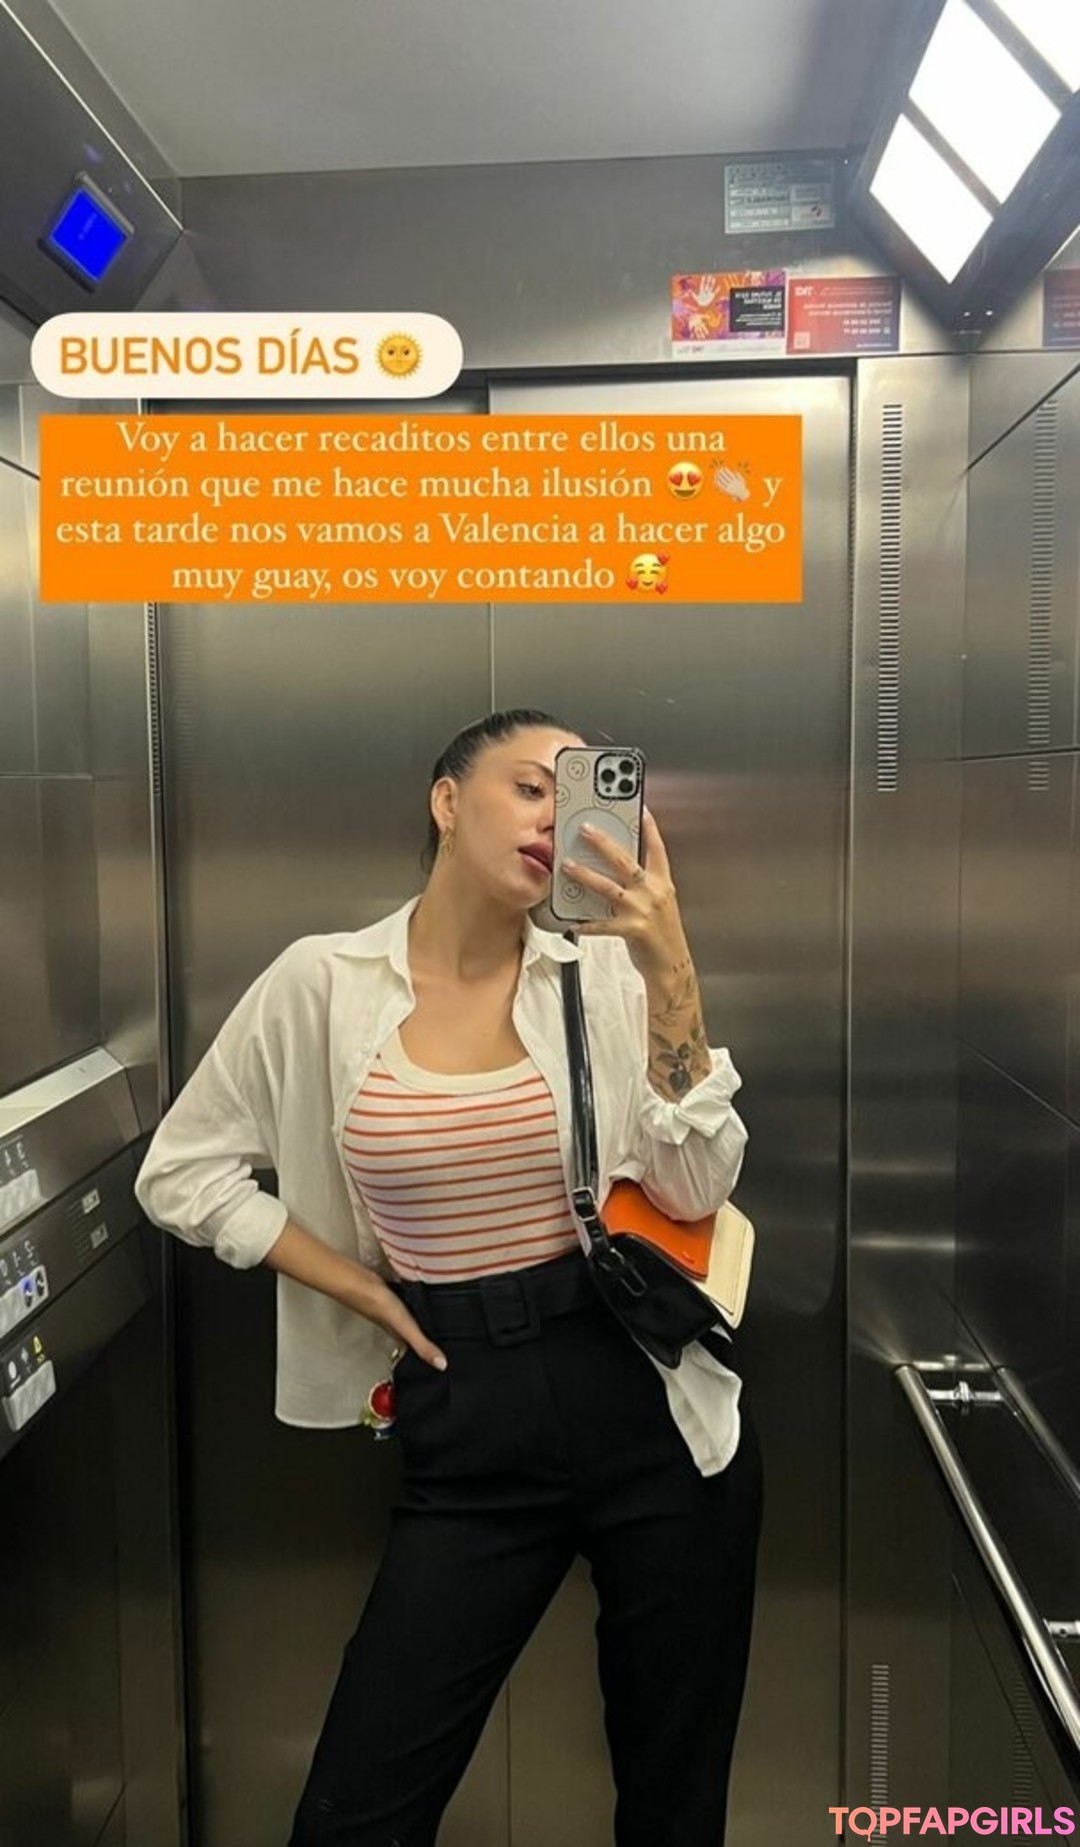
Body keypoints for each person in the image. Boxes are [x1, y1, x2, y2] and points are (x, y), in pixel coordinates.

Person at [135, 707, 762, 1847]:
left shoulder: (600, 975)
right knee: (356, 1811)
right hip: (463, 1406)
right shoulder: (323, 983)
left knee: (674, 1808)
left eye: (575, 791)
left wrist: (668, 965)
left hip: (648, 1401)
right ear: (446, 799)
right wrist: (359, 1286)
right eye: (530, 785)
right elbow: (182, 1173)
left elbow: (694, 1181)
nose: (553, 816)